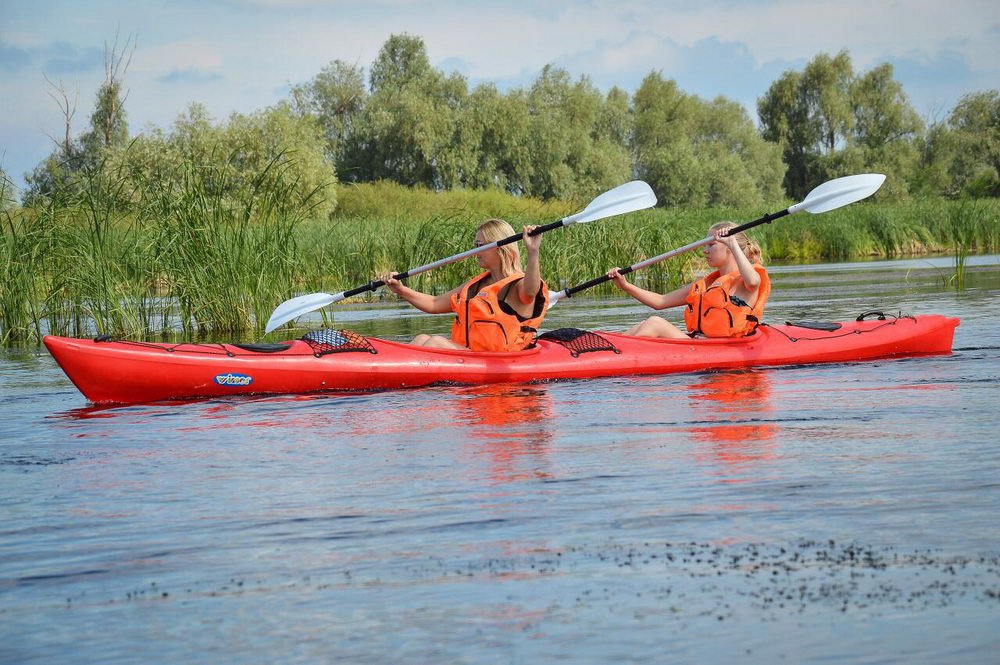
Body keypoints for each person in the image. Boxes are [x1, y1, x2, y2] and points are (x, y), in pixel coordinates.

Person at [382, 218, 548, 352]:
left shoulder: (518, 284)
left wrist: (533, 252)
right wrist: (401, 289)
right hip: (470, 354)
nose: (475, 251)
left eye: (480, 246)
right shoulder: (476, 285)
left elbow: (531, 292)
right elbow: (434, 304)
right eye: (474, 245)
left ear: (500, 247)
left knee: (436, 343)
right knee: (421, 339)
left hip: (497, 359)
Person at [606, 221, 771, 338]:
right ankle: (609, 348)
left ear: (729, 247)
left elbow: (753, 282)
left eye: (711, 245)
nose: (705, 251)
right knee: (643, 324)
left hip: (725, 348)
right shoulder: (707, 285)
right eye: (705, 245)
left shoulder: (746, 280)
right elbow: (660, 301)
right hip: (700, 344)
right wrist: (626, 286)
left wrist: (732, 242)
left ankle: (618, 358)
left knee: (655, 323)